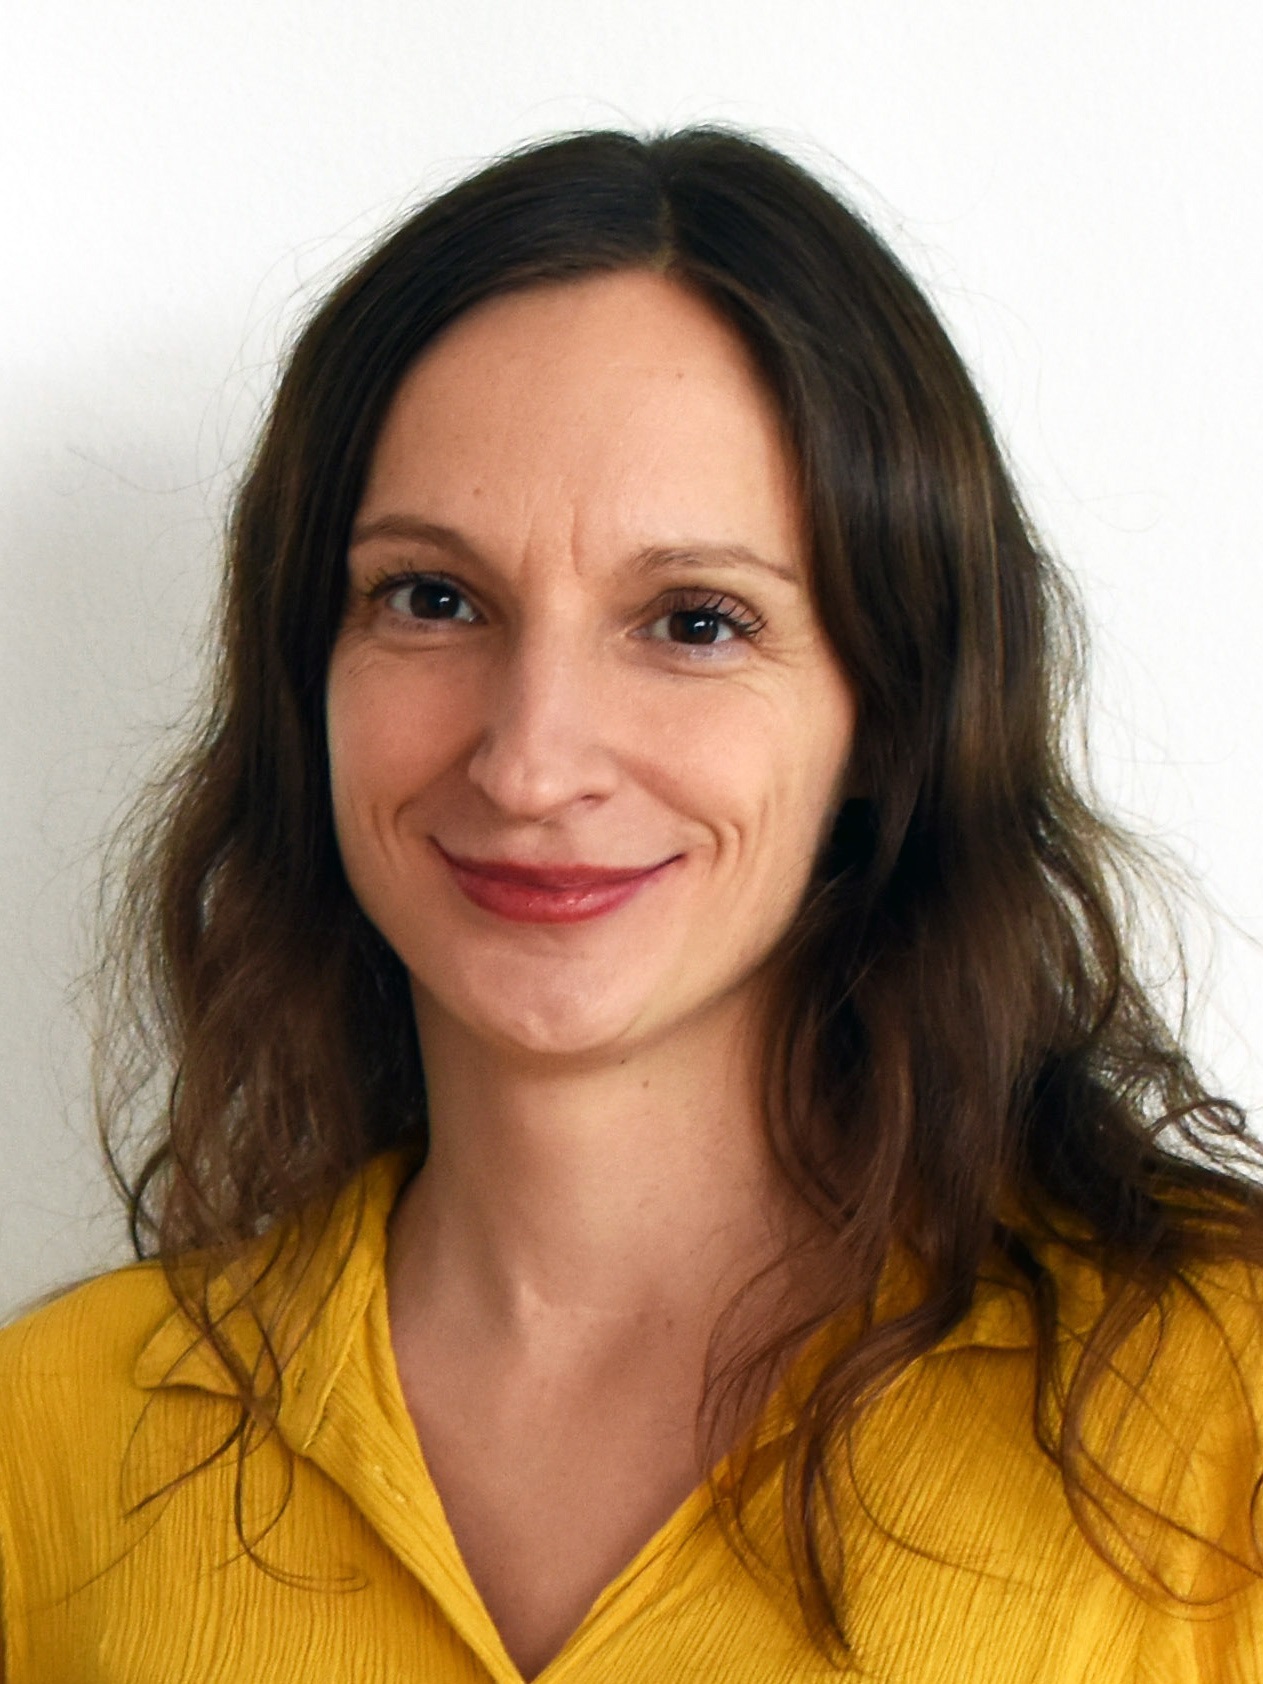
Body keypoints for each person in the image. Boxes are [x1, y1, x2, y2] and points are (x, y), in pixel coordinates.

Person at [1, 125, 1261, 1684]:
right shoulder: (49, 1440)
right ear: (304, 674)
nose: (531, 763)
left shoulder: (1228, 1412)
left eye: (694, 622)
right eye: (432, 598)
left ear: (889, 712)